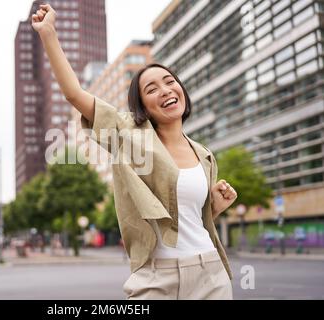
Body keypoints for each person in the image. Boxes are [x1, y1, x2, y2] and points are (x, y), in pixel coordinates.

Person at [32, 4, 238, 300]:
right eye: (151, 89)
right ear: (142, 105)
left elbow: (194, 221)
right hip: (157, 277)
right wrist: (49, 34)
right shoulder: (128, 137)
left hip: (211, 273)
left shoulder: (204, 154)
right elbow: (74, 94)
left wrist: (215, 207)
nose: (166, 90)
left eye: (170, 82)